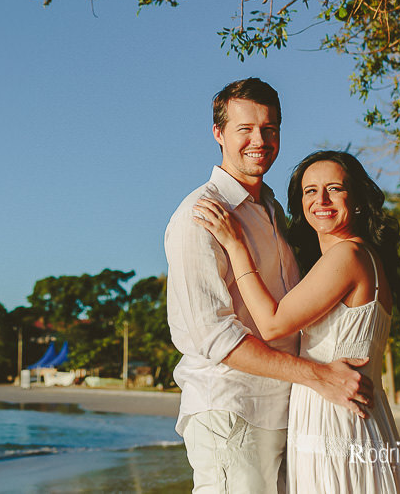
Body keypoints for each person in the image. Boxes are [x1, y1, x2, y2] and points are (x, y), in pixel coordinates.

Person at [166, 78, 372, 494]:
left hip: (286, 412)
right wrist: (317, 375)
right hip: (232, 410)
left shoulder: (274, 210)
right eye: (244, 129)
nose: (259, 140)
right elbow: (213, 337)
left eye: (269, 128)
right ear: (218, 134)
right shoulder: (200, 215)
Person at [193, 150, 400, 493]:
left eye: (334, 189)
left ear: (355, 199)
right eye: (309, 191)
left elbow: (271, 323)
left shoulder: (347, 255)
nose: (321, 200)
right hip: (353, 415)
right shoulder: (364, 255)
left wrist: (236, 245)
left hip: (336, 420)